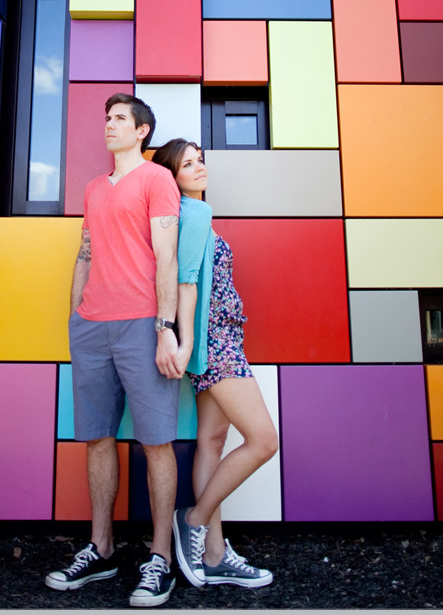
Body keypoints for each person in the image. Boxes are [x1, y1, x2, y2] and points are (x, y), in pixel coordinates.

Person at [45, 94, 188, 608]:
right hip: (91, 327)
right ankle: (101, 548)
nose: (109, 124)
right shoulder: (93, 188)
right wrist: (75, 314)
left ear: (142, 130)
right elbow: (85, 252)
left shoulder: (157, 180)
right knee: (98, 439)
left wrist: (165, 327)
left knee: (156, 442)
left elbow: (167, 256)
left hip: (141, 325)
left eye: (119, 118)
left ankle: (160, 558)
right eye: (106, 117)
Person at [153, 138, 279, 590]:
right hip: (216, 343)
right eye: (188, 164)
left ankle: (214, 554)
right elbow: (185, 280)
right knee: (263, 441)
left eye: (200, 160)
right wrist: (188, 342)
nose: (199, 167)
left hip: (220, 339)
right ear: (172, 176)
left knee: (212, 440)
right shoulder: (193, 213)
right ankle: (194, 518)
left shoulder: (186, 215)